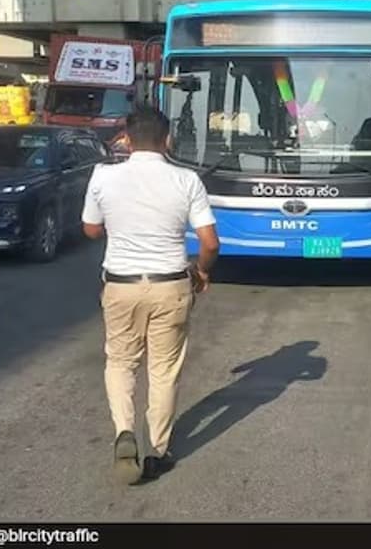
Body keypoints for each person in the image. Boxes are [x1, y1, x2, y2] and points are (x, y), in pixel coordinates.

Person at [81, 105, 220, 486]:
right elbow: (210, 242)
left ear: (125, 138)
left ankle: (123, 431)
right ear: (167, 139)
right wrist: (202, 271)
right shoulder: (186, 180)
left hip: (121, 284)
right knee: (163, 369)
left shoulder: (103, 177)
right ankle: (156, 451)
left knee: (121, 361)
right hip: (171, 284)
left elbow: (91, 229)